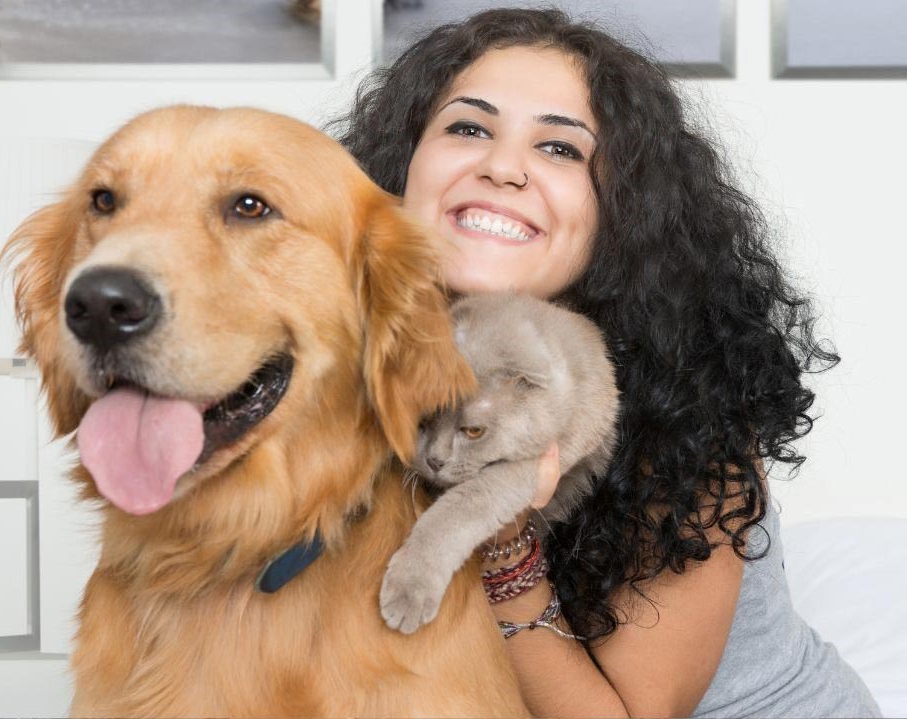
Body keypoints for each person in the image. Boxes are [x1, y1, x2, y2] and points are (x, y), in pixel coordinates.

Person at [329, 8, 881, 718]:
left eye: (560, 149)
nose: (501, 166)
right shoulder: (337, 356)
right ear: (402, 166)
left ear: (618, 211)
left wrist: (499, 542)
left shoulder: (683, 409)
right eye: (467, 128)